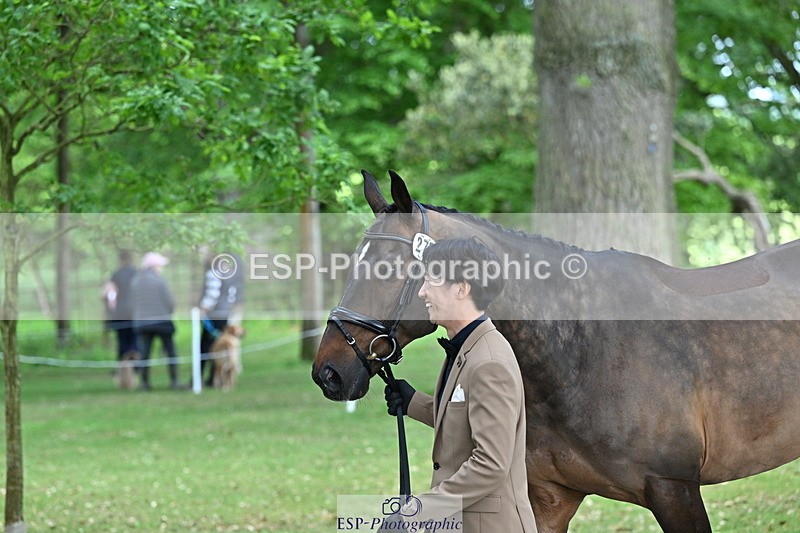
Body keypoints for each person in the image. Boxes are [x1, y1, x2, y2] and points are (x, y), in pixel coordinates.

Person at [385, 238, 537, 533]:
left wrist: (416, 514)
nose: (422, 291)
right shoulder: (467, 346)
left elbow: (490, 464)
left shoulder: (488, 362)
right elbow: (464, 419)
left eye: (431, 280)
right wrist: (412, 401)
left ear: (462, 287)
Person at [131, 252, 179, 390]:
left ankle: (144, 383)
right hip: (162, 321)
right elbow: (170, 302)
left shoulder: (136, 281)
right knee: (171, 352)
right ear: (154, 266)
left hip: (142, 322)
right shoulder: (160, 281)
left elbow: (133, 302)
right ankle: (174, 381)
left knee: (144, 352)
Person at [197, 251, 245, 387]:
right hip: (225, 313)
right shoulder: (229, 273)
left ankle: (202, 378)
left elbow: (212, 294)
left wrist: (203, 309)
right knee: (220, 350)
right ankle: (214, 379)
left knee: (207, 348)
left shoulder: (214, 273)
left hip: (213, 315)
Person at [102, 250, 138, 360]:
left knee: (122, 340)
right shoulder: (137, 273)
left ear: (120, 260)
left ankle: (122, 366)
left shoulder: (115, 274)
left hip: (119, 312)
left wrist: (110, 308)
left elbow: (108, 293)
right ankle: (135, 366)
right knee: (134, 339)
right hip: (134, 312)